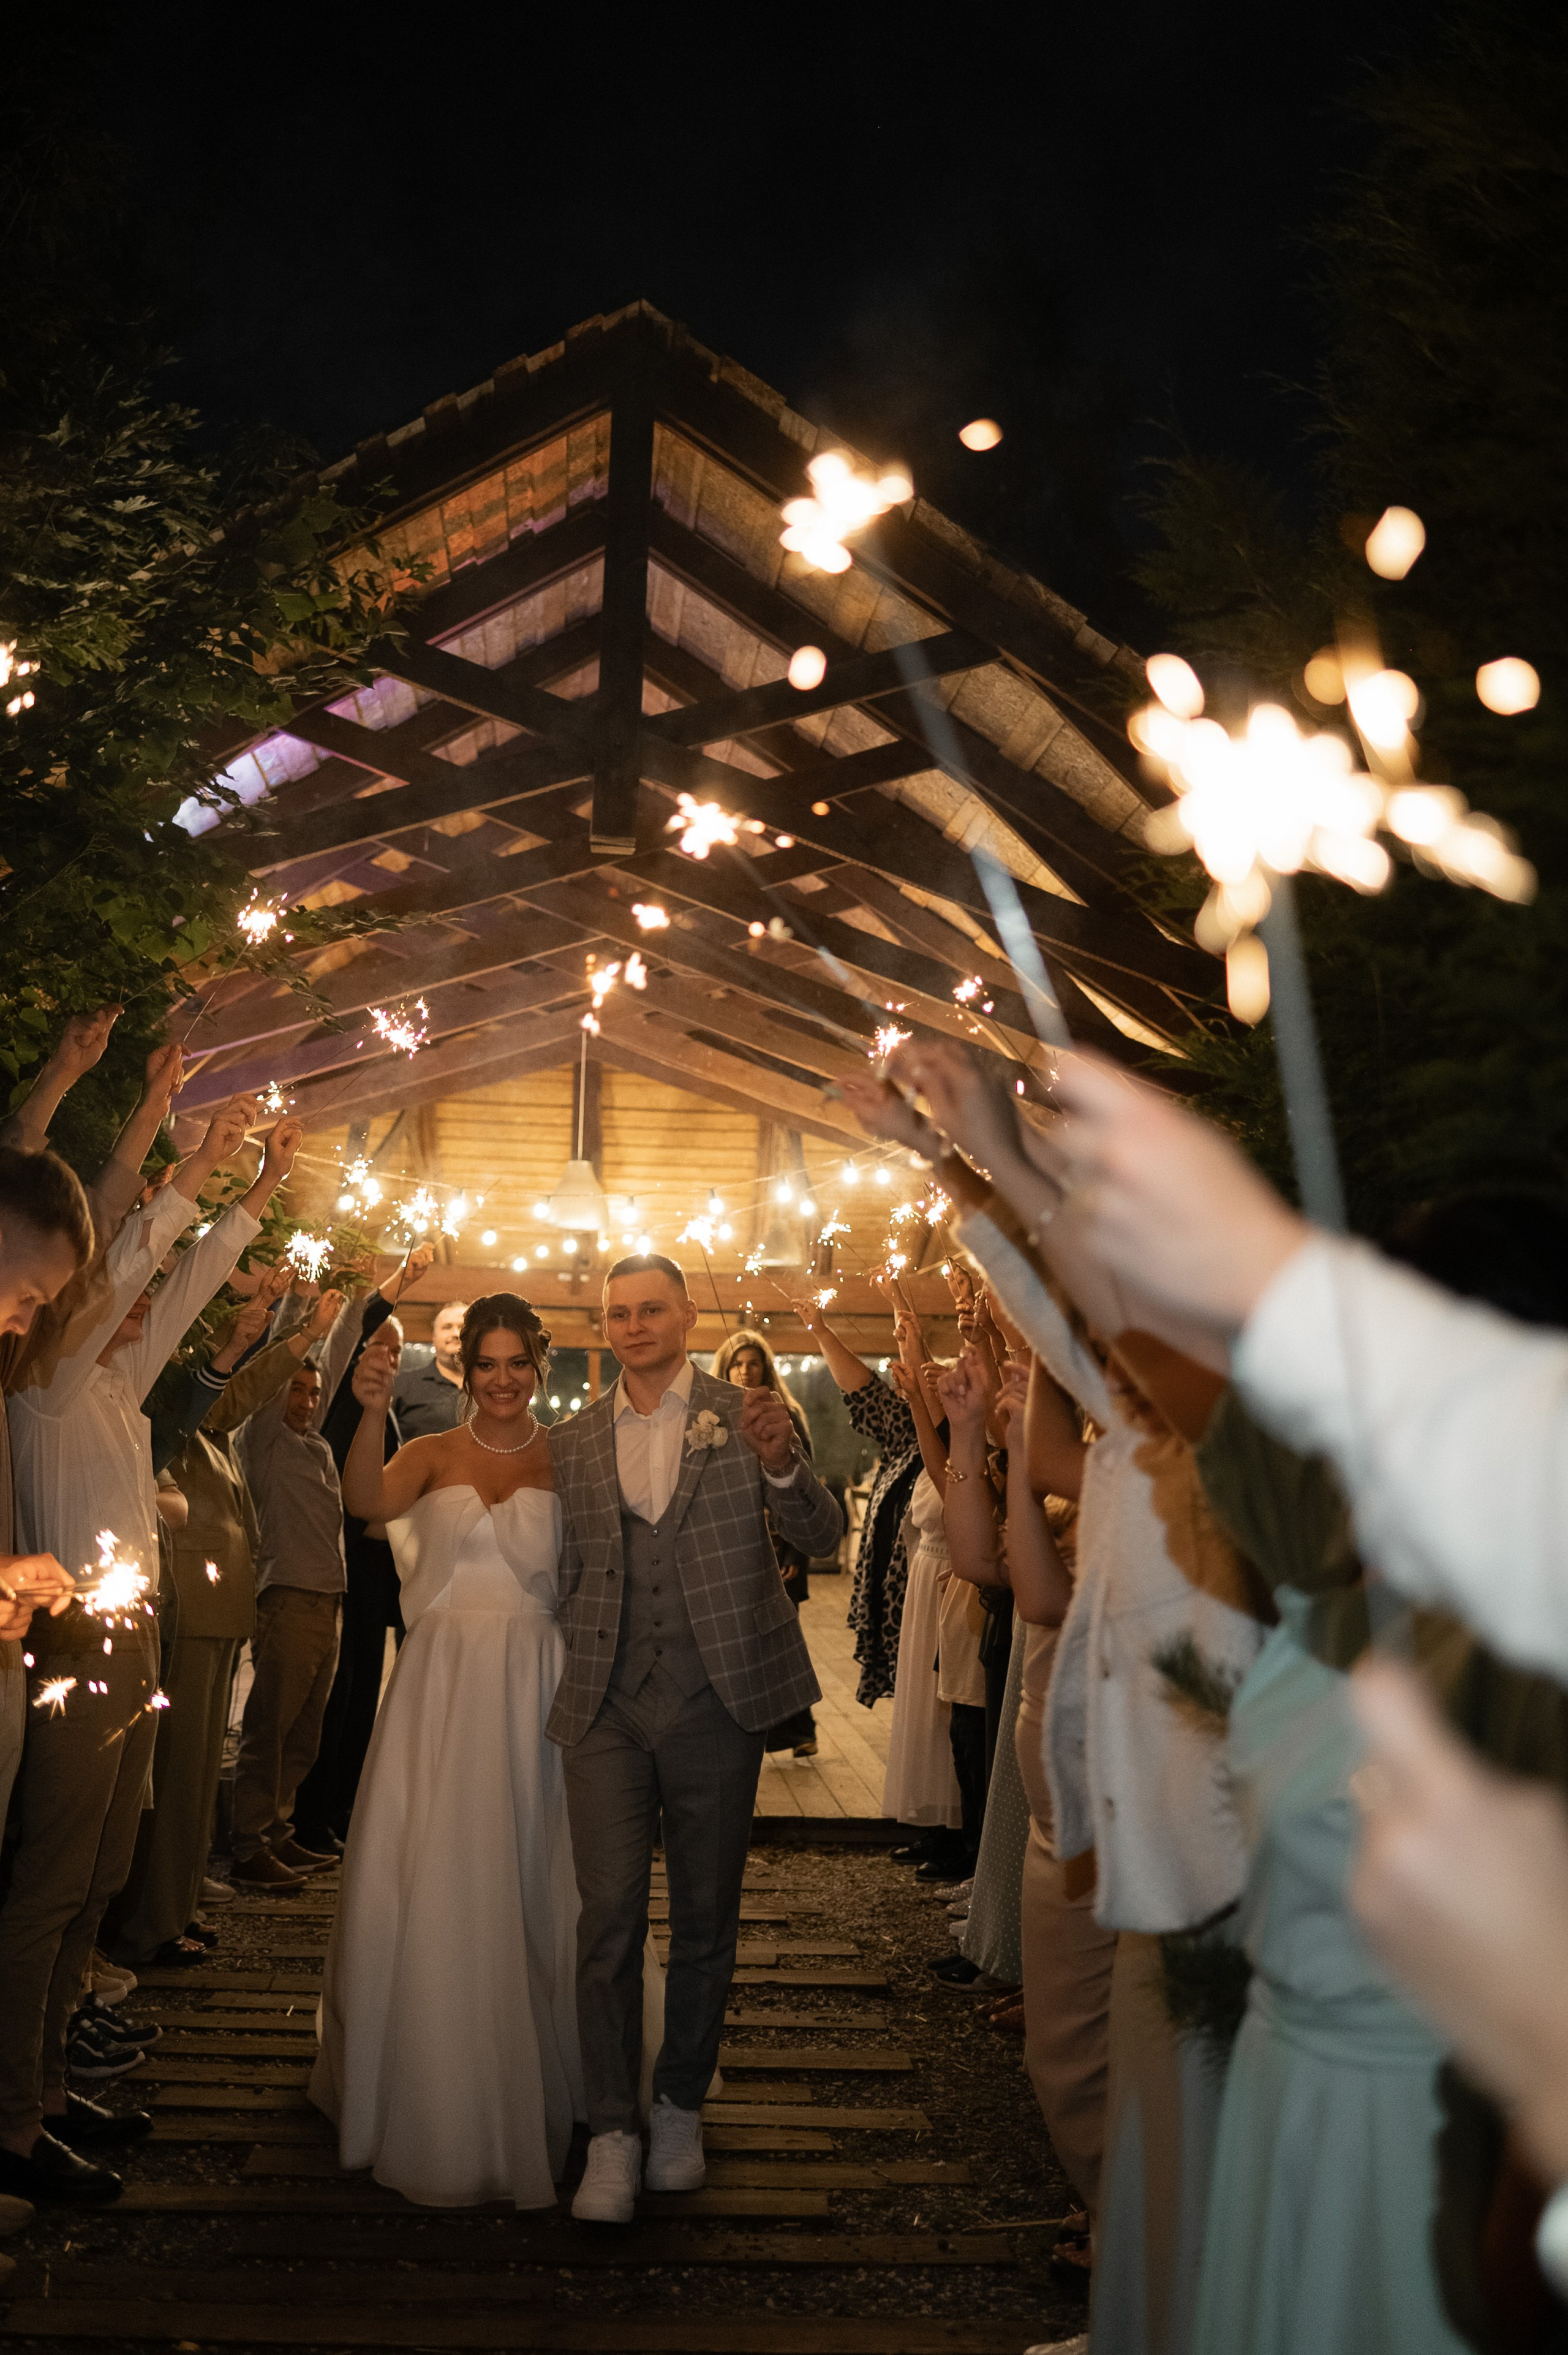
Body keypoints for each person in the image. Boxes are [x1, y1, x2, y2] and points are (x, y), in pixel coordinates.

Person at [0, 1099, 292, 2205]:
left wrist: (255, 1193)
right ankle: (14, 2118)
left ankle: (56, 2082)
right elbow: (137, 1267)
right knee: (55, 1879)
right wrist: (196, 1171)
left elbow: (188, 1283)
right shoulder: (52, 1385)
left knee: (103, 1874)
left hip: (135, 1639)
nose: (137, 1311)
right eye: (108, 1298)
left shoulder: (117, 1388)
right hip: (70, 1643)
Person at [548, 1253, 843, 2225]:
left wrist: (783, 1463)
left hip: (718, 1698)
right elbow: (555, 1565)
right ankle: (610, 2130)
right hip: (606, 1705)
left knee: (708, 1918)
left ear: (684, 1315)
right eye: (619, 1313)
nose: (635, 1325)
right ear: (606, 1325)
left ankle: (678, 2105)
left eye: (652, 1309)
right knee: (609, 1921)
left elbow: (825, 1531)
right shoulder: (577, 1438)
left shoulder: (745, 1410)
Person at [111, 1278, 344, 1962]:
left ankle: (174, 1909)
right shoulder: (172, 1413)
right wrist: (294, 1332)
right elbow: (239, 1389)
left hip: (220, 1615)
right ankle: (150, 1921)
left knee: (191, 1776)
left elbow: (240, 1392)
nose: (232, 1368)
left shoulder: (212, 1431)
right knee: (178, 1776)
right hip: (190, 1612)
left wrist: (298, 1330)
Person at [293, 1244, 436, 1851]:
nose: (386, 1359)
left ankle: (342, 1812)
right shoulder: (337, 1397)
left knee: (359, 1701)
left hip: (376, 1578)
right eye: (377, 1346)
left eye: (396, 1352)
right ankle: (314, 1814)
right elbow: (352, 1323)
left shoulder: (387, 1415)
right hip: (340, 1566)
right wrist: (397, 1281)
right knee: (336, 1700)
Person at [231, 1353, 349, 1888]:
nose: (304, 1401)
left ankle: (277, 1833)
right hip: (288, 1599)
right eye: (295, 1390)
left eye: (313, 1392)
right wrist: (305, 1311)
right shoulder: (265, 1441)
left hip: (328, 1602)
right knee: (270, 1731)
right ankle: (247, 1845)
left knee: (304, 1736)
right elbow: (279, 1364)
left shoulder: (317, 1446)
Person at [714, 1327, 817, 1757]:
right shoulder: (714, 1413)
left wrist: (796, 1551)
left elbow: (805, 1486)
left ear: (765, 1367)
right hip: (732, 1542)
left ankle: (800, 1730)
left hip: (781, 1544)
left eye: (752, 1362)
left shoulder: (785, 1412)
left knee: (780, 1636)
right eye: (737, 1363)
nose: (744, 1370)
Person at [390, 1298, 468, 1437]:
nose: (456, 1334)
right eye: (447, 1327)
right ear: (433, 1338)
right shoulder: (402, 1385)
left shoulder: (491, 1385)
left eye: (462, 1328)